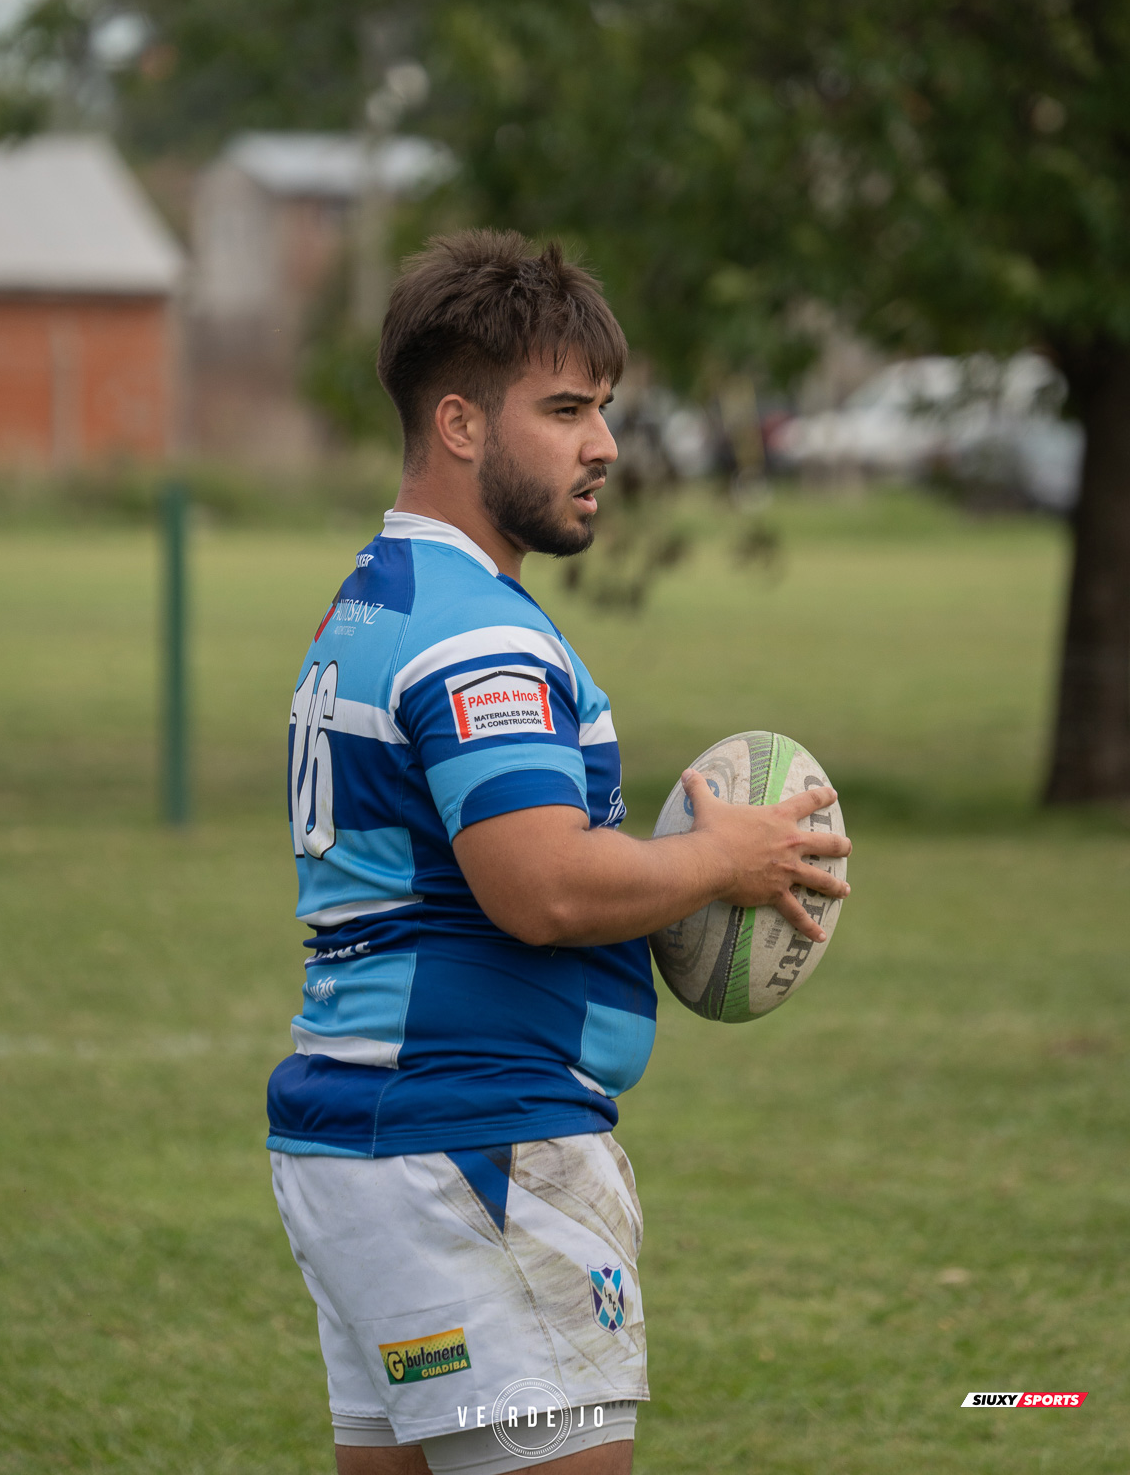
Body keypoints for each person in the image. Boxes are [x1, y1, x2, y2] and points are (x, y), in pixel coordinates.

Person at [268, 229, 852, 1475]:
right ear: (463, 424)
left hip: (359, 1149)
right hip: (477, 1151)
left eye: (606, 408)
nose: (606, 446)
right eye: (568, 409)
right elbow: (539, 885)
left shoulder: (368, 601)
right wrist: (726, 861)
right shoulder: (477, 637)